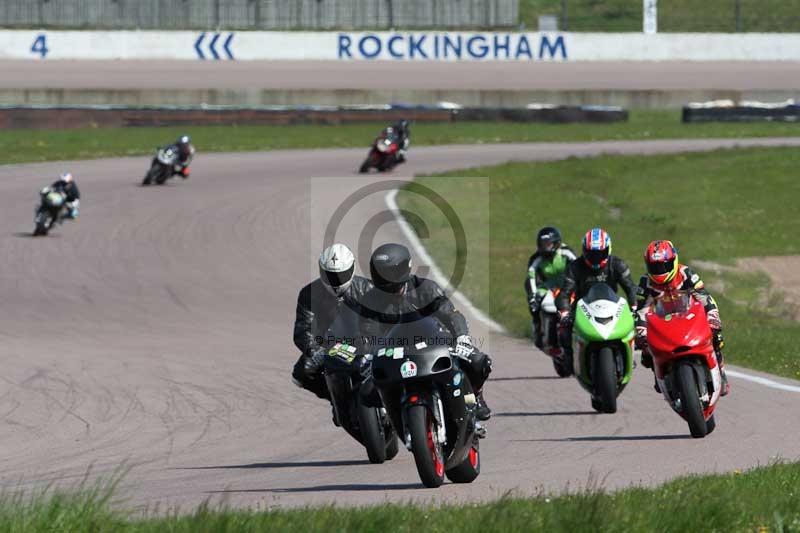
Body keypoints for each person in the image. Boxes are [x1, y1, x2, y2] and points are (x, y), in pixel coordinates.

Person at [359, 243, 493, 421]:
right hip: (396, 352)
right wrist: (369, 354)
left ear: (402, 269)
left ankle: (475, 396)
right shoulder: (370, 300)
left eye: (389, 273)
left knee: (478, 361)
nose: (384, 279)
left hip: (436, 342)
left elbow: (451, 314)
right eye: (379, 273)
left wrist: (462, 338)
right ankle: (389, 415)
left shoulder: (426, 288)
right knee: (367, 391)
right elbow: (368, 332)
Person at [635, 240, 729, 396]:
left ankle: (721, 371)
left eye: (663, 266)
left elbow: (704, 297)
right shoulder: (645, 282)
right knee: (646, 352)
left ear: (674, 260)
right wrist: (641, 332)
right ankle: (659, 374)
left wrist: (713, 318)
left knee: (716, 337)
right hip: (662, 324)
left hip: (689, 318)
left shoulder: (686, 273)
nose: (659, 271)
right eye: (655, 267)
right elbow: (642, 309)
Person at [291, 243, 373, 400]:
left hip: (366, 342)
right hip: (329, 345)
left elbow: (387, 321)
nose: (335, 281)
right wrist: (315, 350)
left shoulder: (369, 289)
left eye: (340, 275)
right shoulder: (309, 294)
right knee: (301, 373)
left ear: (352, 269)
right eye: (330, 275)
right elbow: (303, 330)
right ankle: (336, 399)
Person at [556, 228, 638, 363]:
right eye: (591, 254)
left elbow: (631, 288)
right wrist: (565, 313)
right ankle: (569, 358)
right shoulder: (575, 267)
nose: (596, 258)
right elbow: (565, 292)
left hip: (611, 306)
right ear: (584, 251)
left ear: (608, 250)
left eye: (600, 253)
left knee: (635, 324)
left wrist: (634, 307)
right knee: (564, 330)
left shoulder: (617, 264)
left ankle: (629, 355)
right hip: (583, 308)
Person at [525, 226, 577, 349]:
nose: (545, 247)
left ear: (556, 243)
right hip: (546, 287)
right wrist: (533, 297)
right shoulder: (536, 258)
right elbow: (531, 277)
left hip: (567, 286)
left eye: (548, 244)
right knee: (535, 304)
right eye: (542, 244)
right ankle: (538, 329)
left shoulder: (566, 252)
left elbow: (579, 267)